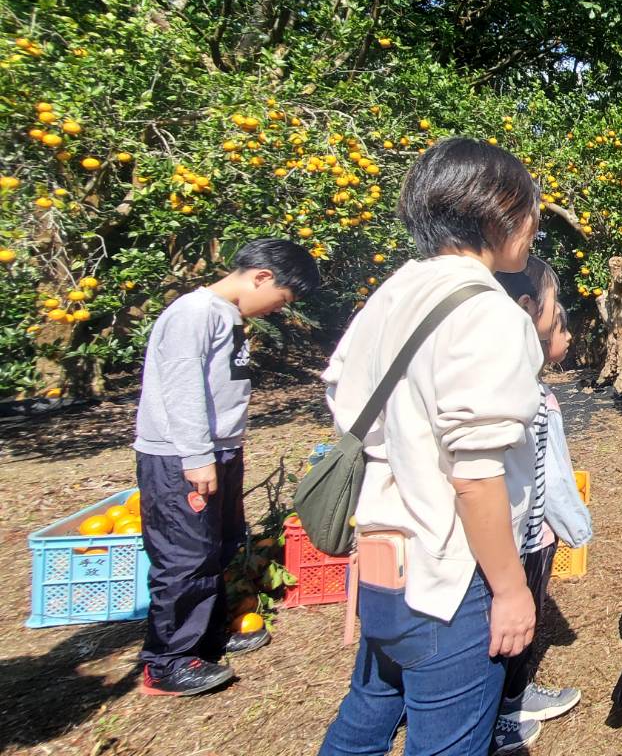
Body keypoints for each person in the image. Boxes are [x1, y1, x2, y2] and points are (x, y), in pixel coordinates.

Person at [318, 138, 545, 756]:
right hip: (452, 575)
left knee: (363, 723)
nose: (532, 229)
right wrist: (510, 589)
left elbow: (345, 395)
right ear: (499, 211)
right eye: (530, 212)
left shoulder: (394, 292)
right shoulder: (490, 314)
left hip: (385, 556)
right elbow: (475, 475)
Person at [133, 238, 321, 696]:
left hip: (216, 451)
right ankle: (167, 661)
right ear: (261, 277)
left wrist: (224, 451)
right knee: (185, 555)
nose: (279, 308)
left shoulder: (225, 315)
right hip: (180, 455)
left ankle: (206, 637)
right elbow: (182, 389)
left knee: (216, 546)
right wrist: (197, 456)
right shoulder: (193, 314)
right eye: (282, 298)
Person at [492, 263, 593, 741]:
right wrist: (577, 527)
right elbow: (552, 480)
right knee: (516, 624)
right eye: (560, 322)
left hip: (508, 533)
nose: (567, 334)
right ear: (527, 314)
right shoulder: (532, 396)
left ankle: (508, 697)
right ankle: (506, 707)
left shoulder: (504, 383)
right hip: (530, 538)